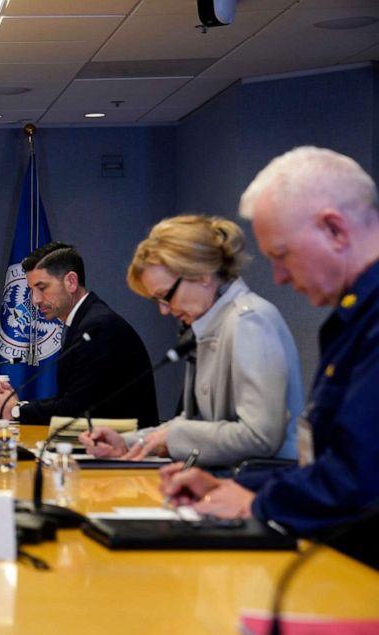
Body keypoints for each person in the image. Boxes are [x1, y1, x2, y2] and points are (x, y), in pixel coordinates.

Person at [162, 146, 379, 537]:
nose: (278, 277)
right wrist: (238, 488)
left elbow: (359, 475)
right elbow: (328, 464)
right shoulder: (353, 316)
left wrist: (257, 501)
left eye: (282, 255)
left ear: (335, 229)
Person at [79, 215, 303, 467]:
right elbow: (196, 421)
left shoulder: (249, 322)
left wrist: (172, 436)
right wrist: (130, 442)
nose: (164, 310)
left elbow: (259, 436)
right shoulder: (210, 323)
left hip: (259, 488)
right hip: (220, 481)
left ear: (202, 275)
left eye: (166, 296)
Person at [0, 242, 159, 426]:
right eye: (32, 290)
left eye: (42, 288)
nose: (35, 300)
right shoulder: (86, 319)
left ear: (71, 282)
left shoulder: (99, 328)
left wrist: (14, 410)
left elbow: (74, 410)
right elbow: (72, 399)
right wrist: (15, 406)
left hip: (124, 449)